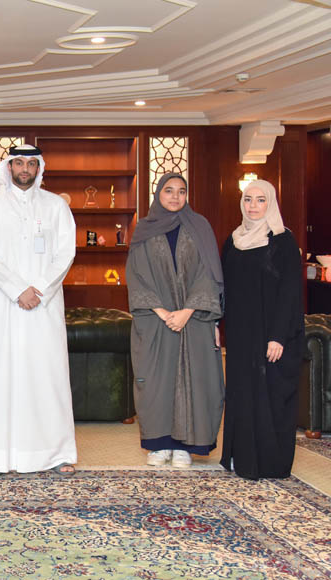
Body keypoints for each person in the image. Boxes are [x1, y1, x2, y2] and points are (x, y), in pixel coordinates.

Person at [0, 145, 78, 476]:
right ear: (9, 166)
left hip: (43, 308)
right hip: (1, 304)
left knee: (47, 377)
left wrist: (40, 289)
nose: (25, 169)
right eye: (19, 162)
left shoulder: (56, 206)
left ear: (38, 168)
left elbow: (65, 252)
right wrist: (18, 288)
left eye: (32, 163)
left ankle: (55, 454)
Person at [126, 173, 224, 468]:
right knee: (156, 380)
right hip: (155, 320)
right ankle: (159, 444)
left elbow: (210, 273)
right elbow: (136, 274)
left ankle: (185, 446)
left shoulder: (200, 227)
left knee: (195, 380)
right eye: (169, 191)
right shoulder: (144, 229)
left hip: (193, 320)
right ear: (158, 194)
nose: (175, 196)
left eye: (181, 191)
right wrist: (162, 311)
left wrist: (187, 311)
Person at [220, 179, 303, 480]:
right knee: (242, 393)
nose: (253, 206)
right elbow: (225, 288)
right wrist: (220, 324)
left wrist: (278, 336)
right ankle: (241, 457)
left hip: (272, 333)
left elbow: (291, 292)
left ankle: (269, 462)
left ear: (271, 203)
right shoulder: (233, 240)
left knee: (269, 395)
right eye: (248, 200)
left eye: (260, 200)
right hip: (241, 334)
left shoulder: (283, 240)